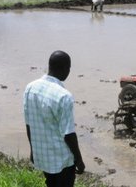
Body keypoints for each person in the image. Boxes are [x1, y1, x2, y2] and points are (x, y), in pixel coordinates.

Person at [23, 50, 85, 187]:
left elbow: (29, 124)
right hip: (61, 159)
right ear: (65, 68)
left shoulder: (30, 88)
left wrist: (33, 150)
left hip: (43, 155)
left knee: (50, 183)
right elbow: (68, 134)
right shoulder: (64, 96)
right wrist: (79, 160)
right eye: (69, 68)